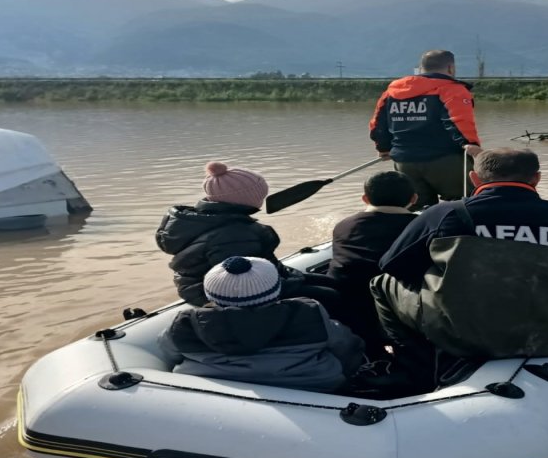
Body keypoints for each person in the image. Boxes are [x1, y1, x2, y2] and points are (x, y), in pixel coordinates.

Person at [371, 148, 548, 389]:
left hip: (459, 334)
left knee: (381, 283)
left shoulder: (444, 214)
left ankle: (411, 364)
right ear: (537, 178)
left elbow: (393, 267)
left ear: (475, 178)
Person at [158, 256, 365, 393]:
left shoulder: (185, 324)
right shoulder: (308, 313)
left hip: (215, 393)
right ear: (276, 290)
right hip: (314, 388)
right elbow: (346, 346)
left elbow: (168, 354)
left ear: (209, 293)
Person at [156, 161, 339, 307]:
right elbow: (245, 283)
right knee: (331, 296)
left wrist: (294, 276)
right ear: (245, 199)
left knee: (331, 283)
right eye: (260, 195)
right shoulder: (236, 235)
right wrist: (293, 282)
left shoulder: (206, 219)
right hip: (222, 292)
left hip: (206, 282)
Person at [370, 50, 482, 209]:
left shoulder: (392, 92)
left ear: (421, 68)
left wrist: (383, 148)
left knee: (416, 207)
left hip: (404, 161)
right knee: (466, 204)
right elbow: (458, 120)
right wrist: (469, 144)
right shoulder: (451, 89)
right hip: (445, 159)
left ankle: (421, 233)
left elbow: (377, 124)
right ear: (451, 68)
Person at [326, 171, 419, 354]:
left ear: (365, 198)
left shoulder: (344, 225)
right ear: (414, 198)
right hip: (396, 311)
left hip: (347, 307)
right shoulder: (419, 227)